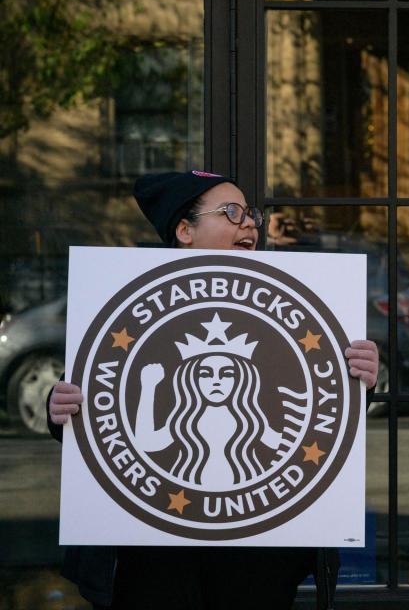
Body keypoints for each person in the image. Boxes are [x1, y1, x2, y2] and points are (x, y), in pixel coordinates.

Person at [47, 170, 379, 610]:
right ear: (184, 230)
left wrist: (358, 378)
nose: (250, 225)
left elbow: (319, 420)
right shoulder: (127, 295)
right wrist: (61, 407)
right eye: (232, 213)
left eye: (251, 215)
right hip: (153, 544)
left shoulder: (295, 297)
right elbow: (101, 406)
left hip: (260, 546)